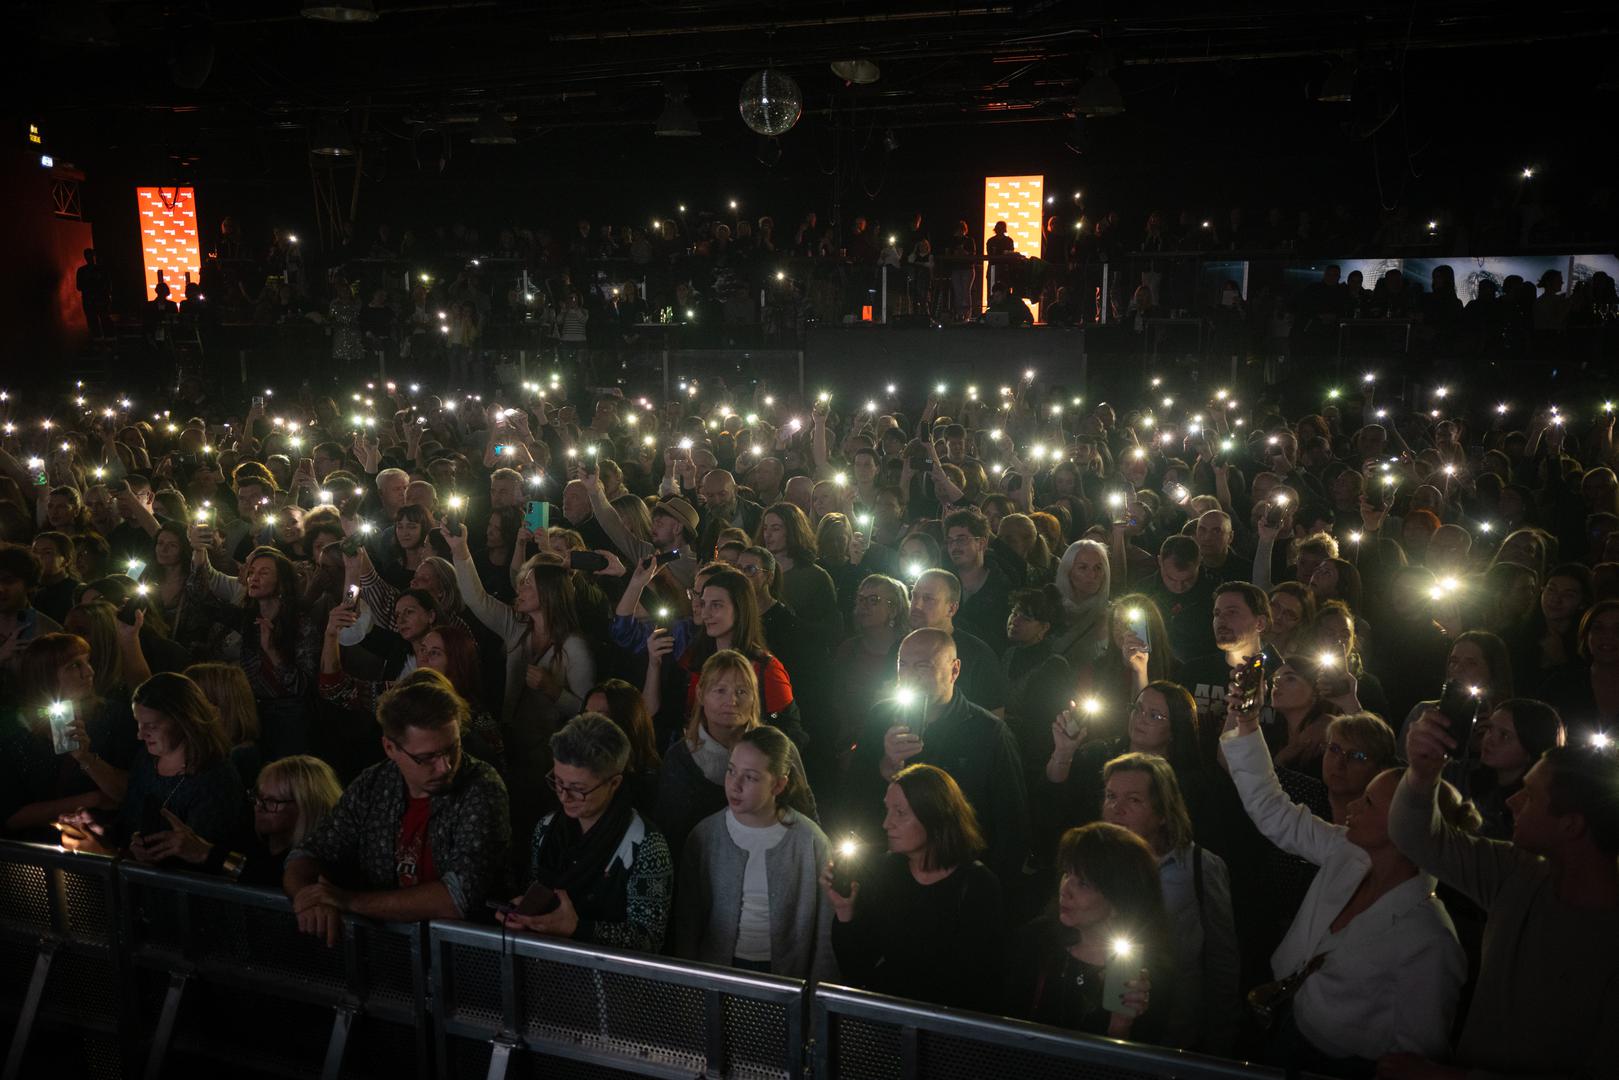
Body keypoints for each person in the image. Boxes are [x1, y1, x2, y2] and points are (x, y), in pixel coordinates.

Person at [1222, 701, 1471, 1076]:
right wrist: (1246, 720)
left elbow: (1414, 1060)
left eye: (1368, 802)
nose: (1353, 805)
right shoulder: (1346, 851)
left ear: (1405, 826)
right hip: (1285, 1022)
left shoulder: (1430, 939)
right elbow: (1274, 811)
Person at [1385, 711, 1619, 1079]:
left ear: (1571, 825)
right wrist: (1422, 773)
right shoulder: (1518, 872)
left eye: (1531, 795)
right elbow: (1417, 837)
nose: (1513, 802)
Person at [284, 670, 511, 945]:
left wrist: (347, 901)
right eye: (426, 758)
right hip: (384, 958)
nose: (445, 766)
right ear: (390, 748)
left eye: (453, 748)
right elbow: (307, 854)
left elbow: (457, 897)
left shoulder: (481, 785)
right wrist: (308, 899)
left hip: (463, 961)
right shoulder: (373, 784)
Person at [849, 627, 1029, 881]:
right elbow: (852, 792)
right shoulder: (881, 718)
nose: (909, 676)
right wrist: (887, 766)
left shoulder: (988, 732)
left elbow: (1011, 822)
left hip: (957, 876)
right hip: (891, 871)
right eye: (903, 665)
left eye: (922, 667)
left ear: (954, 670)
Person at [823, 763, 1004, 1011]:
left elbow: (978, 985)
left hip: (944, 1030)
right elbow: (855, 968)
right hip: (885, 1020)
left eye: (900, 813)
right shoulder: (884, 872)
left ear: (935, 815)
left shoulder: (978, 886)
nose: (887, 823)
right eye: (887, 810)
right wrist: (845, 912)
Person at [1100, 753, 1241, 1054]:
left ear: (1163, 811)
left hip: (1176, 1034)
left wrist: (1220, 1040)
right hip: (1106, 1026)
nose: (1116, 809)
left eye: (1134, 800)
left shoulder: (1200, 867)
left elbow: (1222, 961)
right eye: (1111, 796)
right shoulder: (1093, 866)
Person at [498, 713, 673, 954]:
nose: (564, 796)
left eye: (578, 789)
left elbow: (648, 939)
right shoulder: (547, 829)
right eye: (558, 782)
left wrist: (579, 929)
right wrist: (524, 912)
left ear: (614, 783)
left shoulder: (644, 845)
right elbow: (535, 888)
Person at [675, 725, 836, 978]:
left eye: (750, 777)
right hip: (717, 974)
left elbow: (825, 933)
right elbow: (686, 923)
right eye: (731, 771)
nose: (735, 785)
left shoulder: (810, 841)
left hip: (786, 980)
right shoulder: (705, 836)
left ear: (779, 785)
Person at [1002, 822, 1163, 1041]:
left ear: (1118, 900)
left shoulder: (1144, 975)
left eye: (1083, 883)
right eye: (1067, 874)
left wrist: (1120, 1026)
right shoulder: (1036, 939)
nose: (1065, 890)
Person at [655, 650, 816, 854]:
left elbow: (806, 818)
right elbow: (670, 837)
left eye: (741, 691)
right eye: (720, 690)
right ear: (700, 694)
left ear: (754, 696)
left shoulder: (780, 750)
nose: (731, 701)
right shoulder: (680, 759)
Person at [127, 754, 343, 888]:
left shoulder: (324, 857)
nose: (259, 806)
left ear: (307, 806)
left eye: (272, 802)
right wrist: (158, 851)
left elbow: (272, 878)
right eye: (257, 797)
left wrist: (205, 853)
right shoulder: (248, 836)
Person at [0, 633, 138, 840]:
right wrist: (93, 799)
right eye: (74, 666)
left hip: (100, 846)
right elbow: (11, 816)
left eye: (87, 662)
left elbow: (127, 793)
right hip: (38, 851)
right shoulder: (18, 730)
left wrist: (87, 758)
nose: (89, 672)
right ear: (45, 676)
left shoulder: (113, 716)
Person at [1461, 698, 1566, 840]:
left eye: (1504, 735)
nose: (1489, 739)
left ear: (1531, 747)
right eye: (1490, 729)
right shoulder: (1466, 776)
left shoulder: (1531, 809)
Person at [908, 568, 1009, 714]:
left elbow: (994, 719)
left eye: (928, 599)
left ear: (951, 609)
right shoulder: (900, 647)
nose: (917, 605)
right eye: (914, 596)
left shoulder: (979, 656)